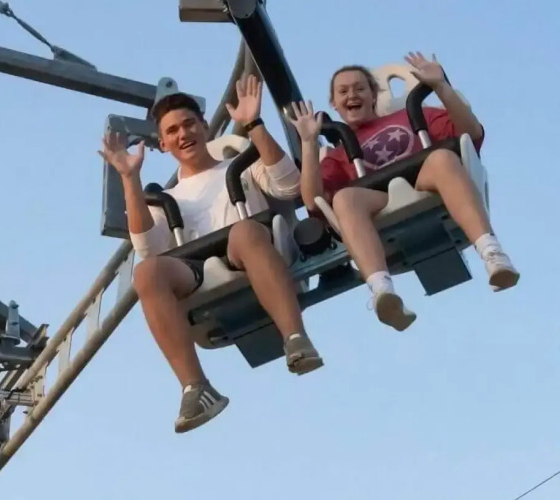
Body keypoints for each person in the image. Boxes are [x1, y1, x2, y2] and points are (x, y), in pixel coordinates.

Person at [99, 74, 323, 434]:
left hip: (250, 251)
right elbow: (147, 249)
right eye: (172, 130)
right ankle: (196, 388)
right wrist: (130, 178)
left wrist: (254, 124)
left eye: (189, 124)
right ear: (163, 143)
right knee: (146, 273)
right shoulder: (166, 198)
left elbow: (289, 186)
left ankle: (296, 337)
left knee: (245, 231)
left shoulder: (241, 166)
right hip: (198, 275)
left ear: (204, 127)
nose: (183, 134)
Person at [289, 52, 520, 332]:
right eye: (343, 91)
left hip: (425, 183)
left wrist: (441, 86)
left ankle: (492, 254)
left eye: (360, 88)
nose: (352, 95)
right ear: (334, 104)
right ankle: (382, 291)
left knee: (443, 158)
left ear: (374, 94)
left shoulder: (413, 114)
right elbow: (313, 203)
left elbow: (470, 133)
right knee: (344, 198)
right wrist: (309, 143)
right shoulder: (337, 155)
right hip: (379, 201)